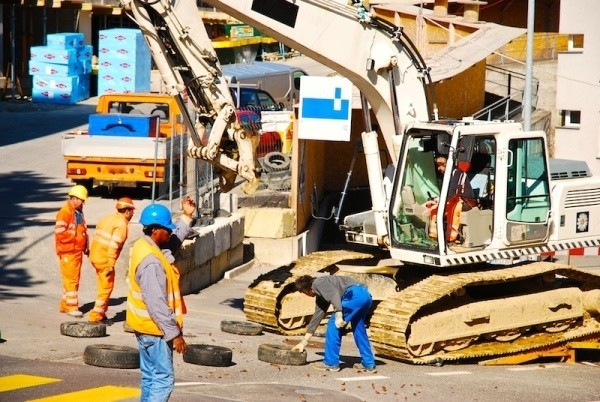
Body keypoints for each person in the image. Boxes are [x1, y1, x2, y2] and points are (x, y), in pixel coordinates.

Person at [126, 197, 196, 402]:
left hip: (145, 328)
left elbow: (171, 245)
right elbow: (156, 304)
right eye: (167, 229)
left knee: (150, 378)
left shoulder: (144, 245)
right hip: (156, 330)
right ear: (156, 230)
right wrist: (175, 334)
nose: (170, 232)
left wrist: (187, 216)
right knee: (163, 380)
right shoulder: (152, 263)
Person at [292, 275, 377, 373]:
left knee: (333, 326)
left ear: (307, 289)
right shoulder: (321, 294)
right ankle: (369, 364)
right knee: (359, 328)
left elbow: (334, 294)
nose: (305, 295)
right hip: (365, 295)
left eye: (303, 292)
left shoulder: (317, 283)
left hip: (353, 296)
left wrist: (338, 314)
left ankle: (331, 363)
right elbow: (316, 318)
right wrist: (304, 342)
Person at [88, 197, 136, 323]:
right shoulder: (121, 225)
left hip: (95, 256)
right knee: (106, 288)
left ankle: (101, 313)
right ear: (126, 211)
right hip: (104, 260)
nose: (132, 214)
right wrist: (110, 264)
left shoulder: (107, 219)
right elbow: (114, 246)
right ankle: (96, 316)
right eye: (132, 211)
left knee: (101, 285)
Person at [55, 185, 89, 318]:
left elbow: (82, 230)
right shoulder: (65, 212)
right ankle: (71, 306)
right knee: (71, 279)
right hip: (69, 251)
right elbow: (60, 233)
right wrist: (76, 241)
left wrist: (85, 244)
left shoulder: (78, 211)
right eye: (82, 200)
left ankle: (65, 304)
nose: (84, 202)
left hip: (76, 251)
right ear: (74, 199)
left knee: (71, 279)